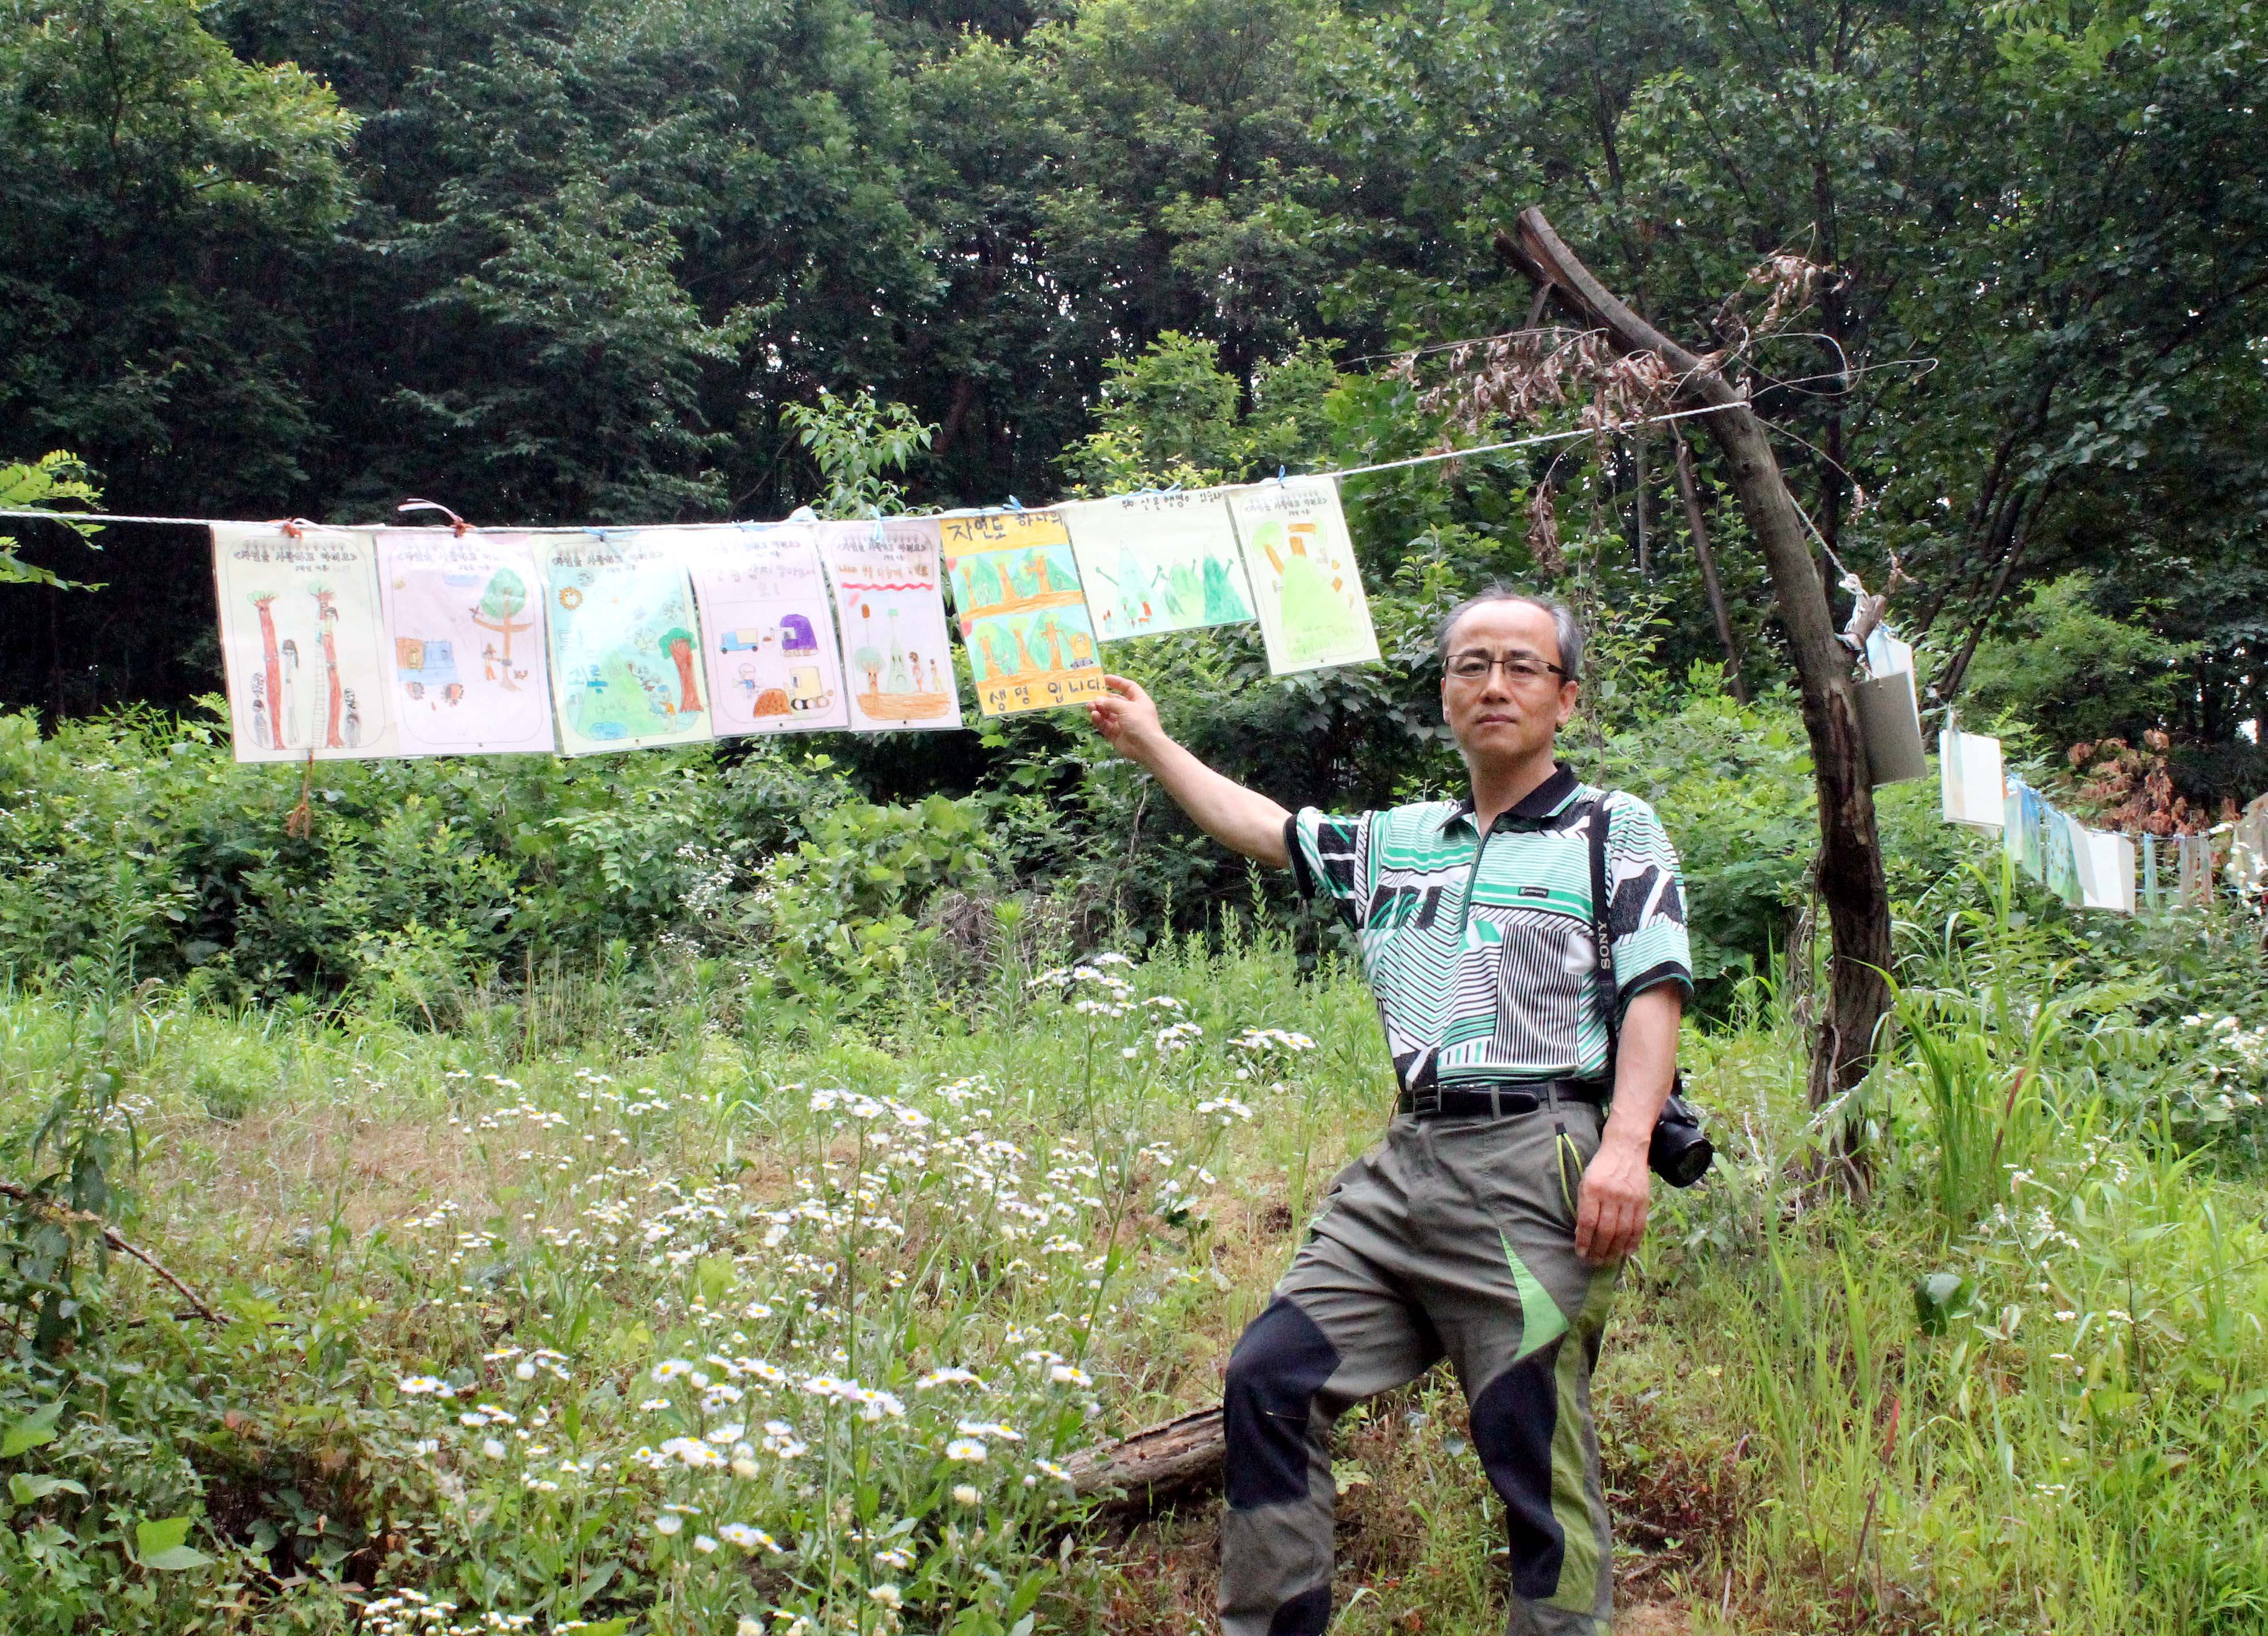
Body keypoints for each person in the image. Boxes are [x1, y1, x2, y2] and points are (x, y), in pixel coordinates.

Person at [1087, 588, 1691, 1636]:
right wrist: (1151, 743)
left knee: (1534, 1450)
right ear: (1445, 693)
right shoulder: (1403, 838)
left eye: (1521, 666)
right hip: (1405, 1166)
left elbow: (1654, 989)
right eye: (1470, 665)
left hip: (1536, 1164)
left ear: (1566, 698)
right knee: (1271, 1375)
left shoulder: (1612, 828)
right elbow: (1265, 830)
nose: (1493, 685)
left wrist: (1627, 1146)